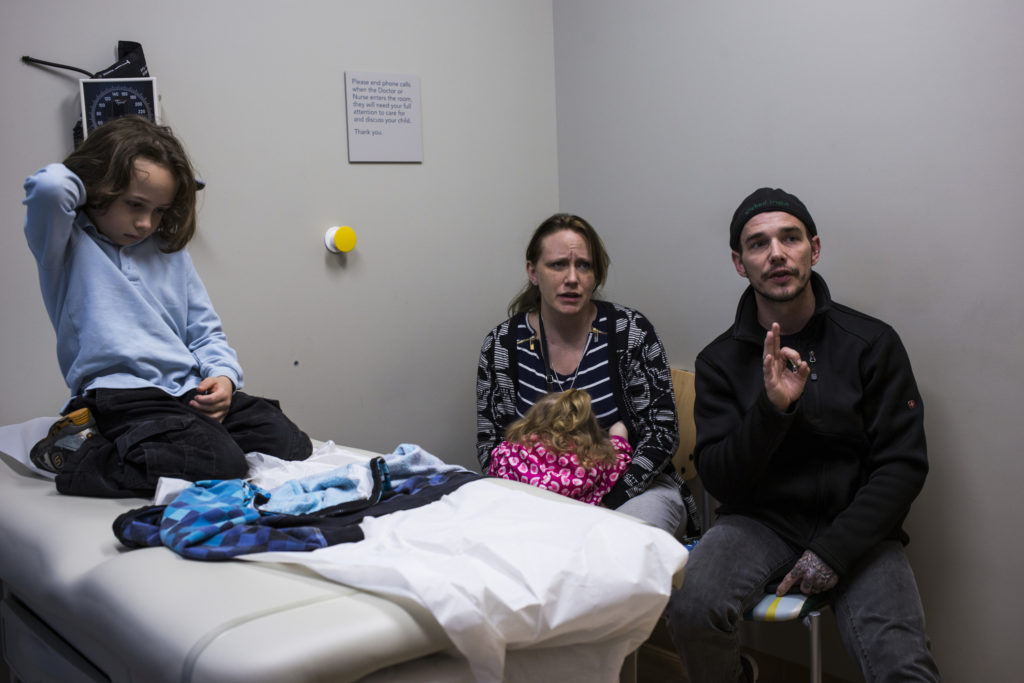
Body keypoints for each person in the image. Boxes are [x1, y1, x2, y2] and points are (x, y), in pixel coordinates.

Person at [666, 188, 939, 682]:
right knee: (690, 607)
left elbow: (902, 466)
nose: (776, 253)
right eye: (758, 243)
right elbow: (723, 481)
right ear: (738, 262)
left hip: (860, 528)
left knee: (904, 667)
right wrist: (771, 411)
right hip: (759, 523)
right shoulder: (720, 361)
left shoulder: (872, 343)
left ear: (813, 249)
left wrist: (834, 551)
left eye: (790, 238)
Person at [23, 115, 311, 498]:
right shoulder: (67, 246)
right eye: (134, 204)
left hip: (185, 391)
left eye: (159, 210)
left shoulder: (169, 253)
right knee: (220, 462)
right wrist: (97, 174)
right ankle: (78, 453)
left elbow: (206, 333)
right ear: (98, 189)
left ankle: (181, 438)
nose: (145, 223)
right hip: (121, 394)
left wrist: (224, 378)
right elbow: (49, 187)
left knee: (288, 441)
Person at [477, 213, 699, 539]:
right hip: (537, 494)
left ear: (596, 275)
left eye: (583, 265)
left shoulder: (631, 333)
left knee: (614, 546)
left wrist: (602, 503)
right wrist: (544, 502)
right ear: (532, 272)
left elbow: (661, 436)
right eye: (557, 265)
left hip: (631, 491)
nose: (572, 278)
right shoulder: (502, 346)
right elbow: (490, 446)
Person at [488, 388, 632, 505]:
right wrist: (618, 436)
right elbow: (620, 461)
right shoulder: (591, 463)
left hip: (519, 517)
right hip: (568, 527)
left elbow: (494, 476)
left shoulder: (508, 453)